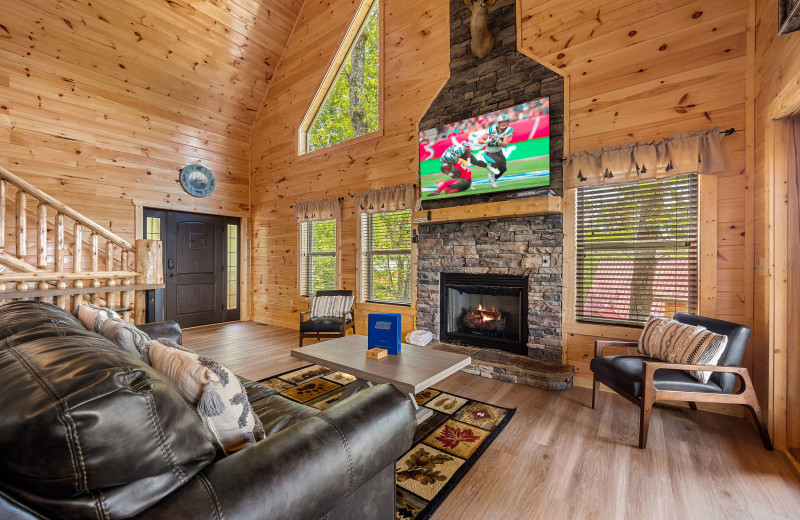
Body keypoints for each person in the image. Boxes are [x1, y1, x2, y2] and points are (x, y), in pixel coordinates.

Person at [478, 114, 515, 187]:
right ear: (498, 123)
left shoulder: (509, 130)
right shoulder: (491, 129)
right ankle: (491, 174)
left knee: (503, 169)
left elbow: (505, 145)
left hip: (499, 152)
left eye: (505, 121)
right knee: (497, 161)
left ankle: (494, 180)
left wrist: (499, 141)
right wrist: (486, 141)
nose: (504, 123)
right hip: (489, 152)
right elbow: (479, 140)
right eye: (502, 122)